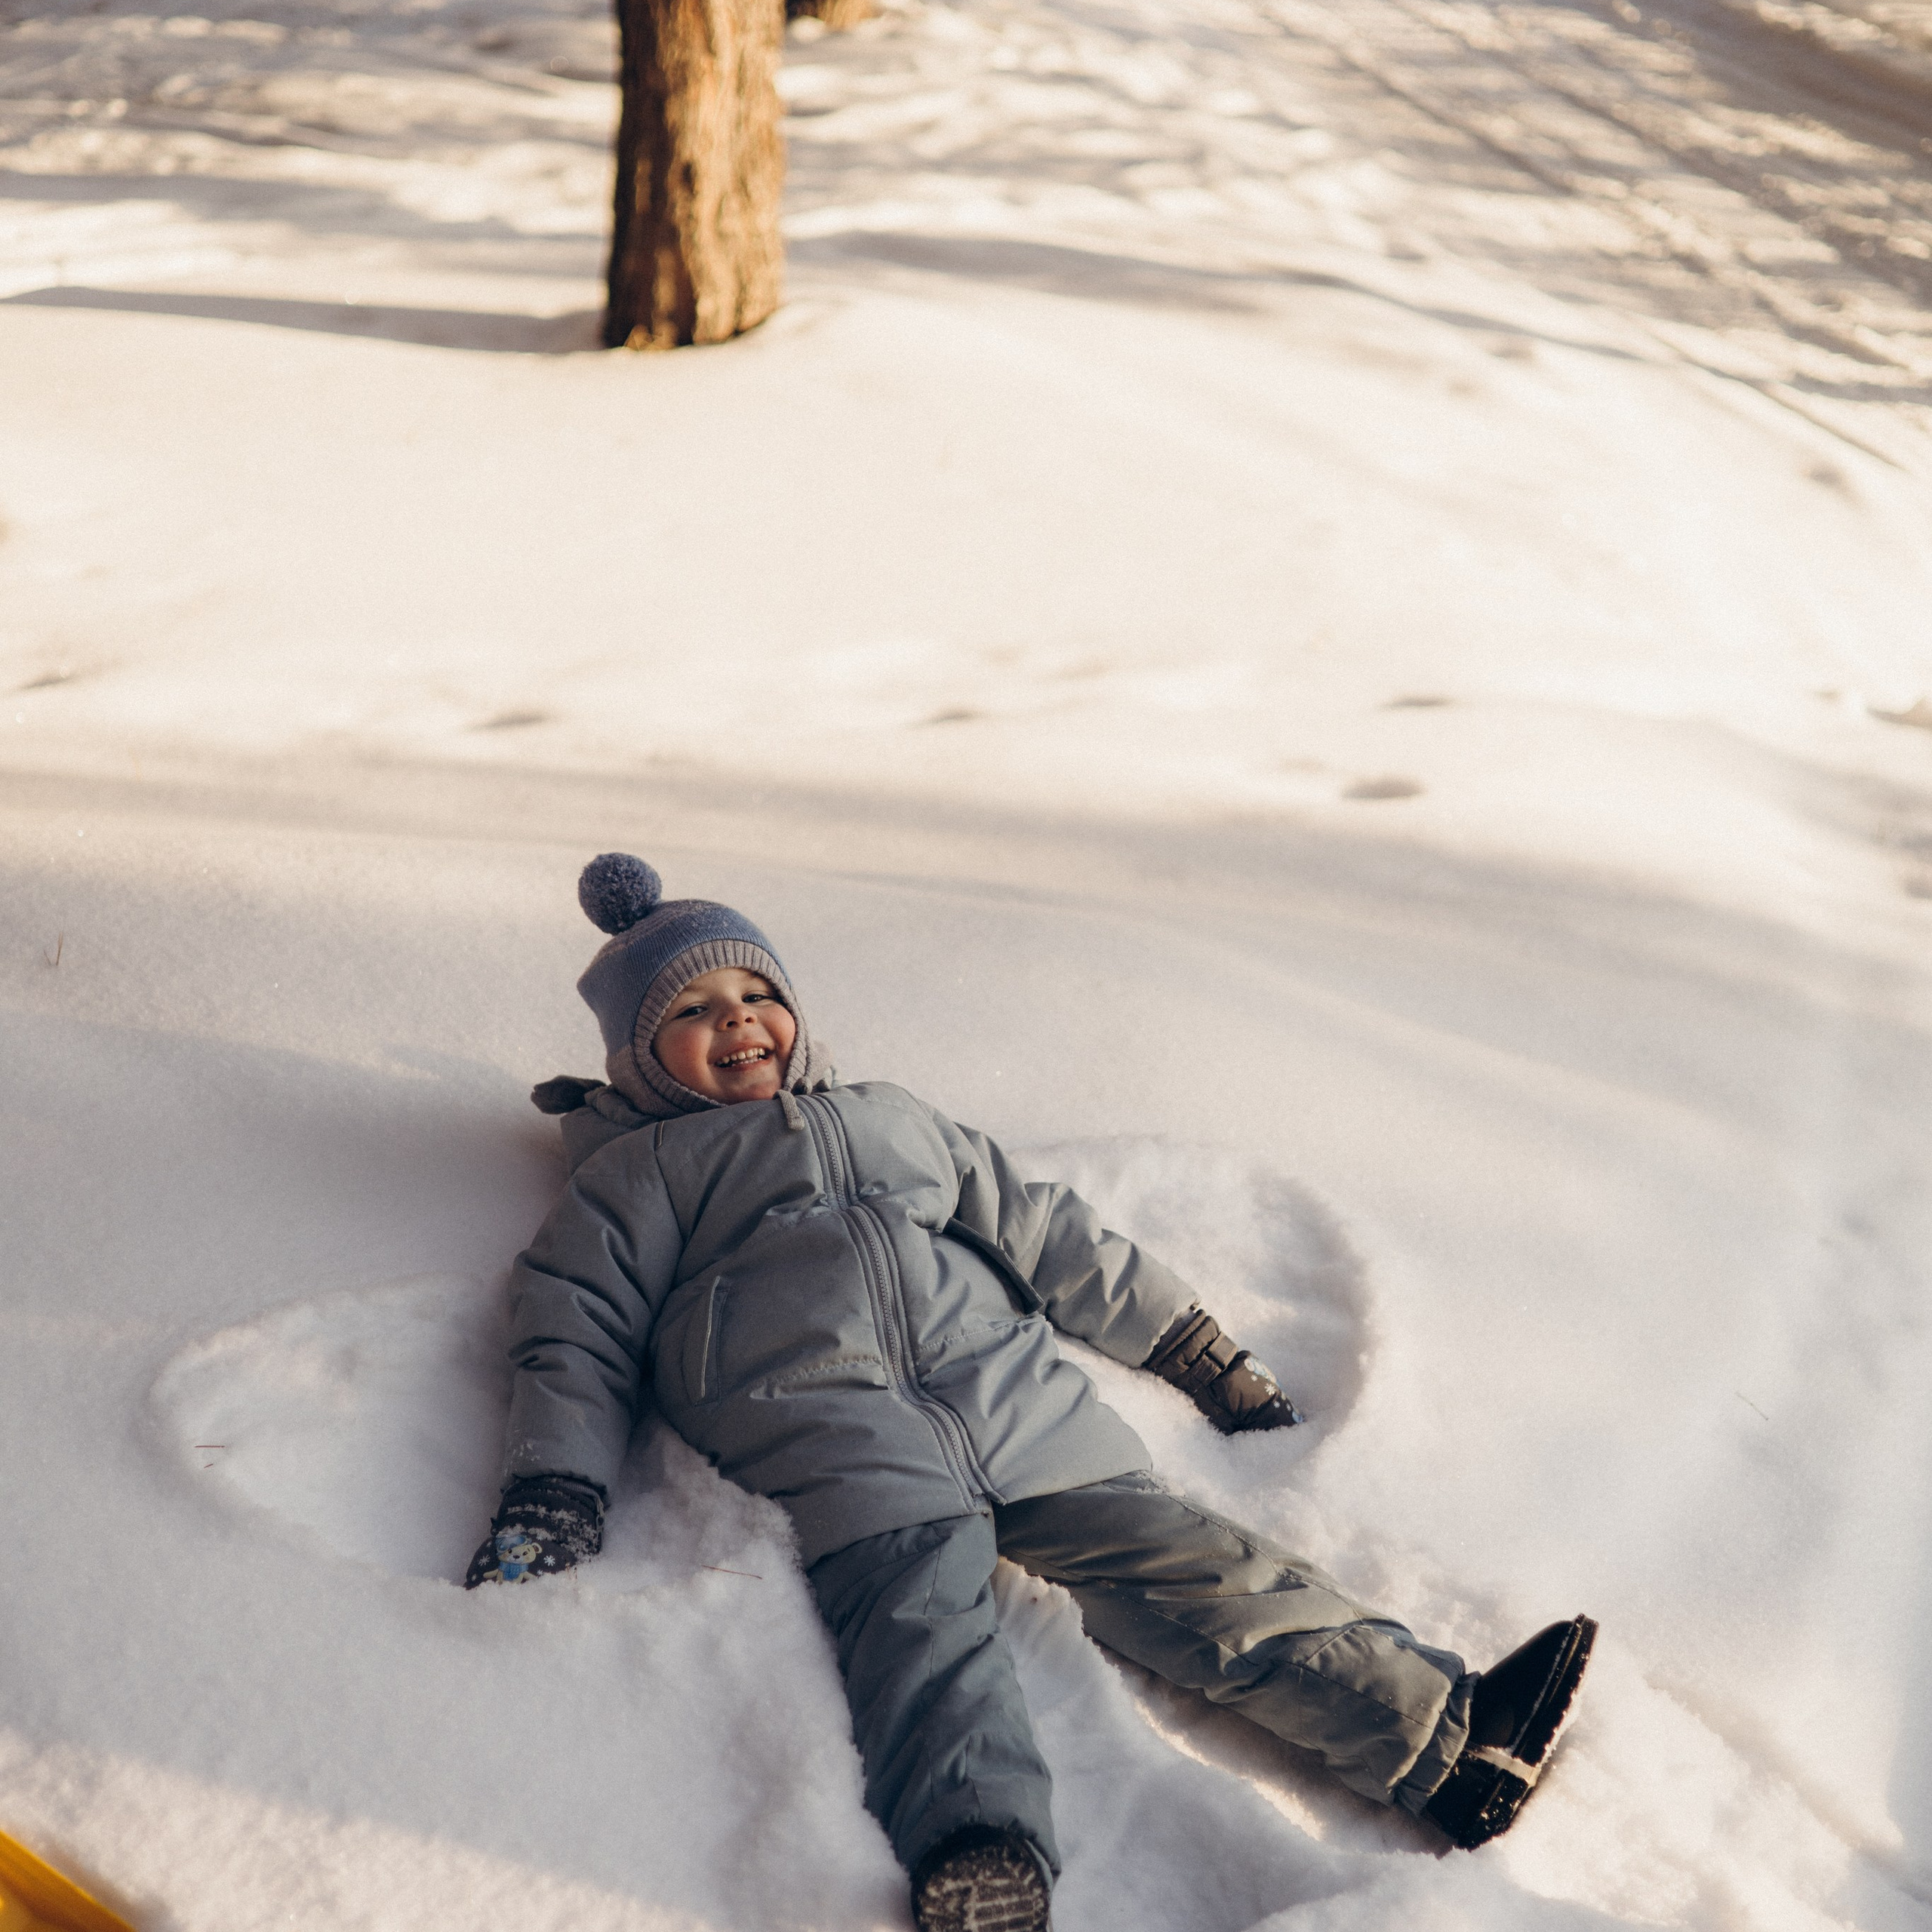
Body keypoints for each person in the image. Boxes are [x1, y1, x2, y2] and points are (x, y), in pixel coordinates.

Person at [467, 854, 1595, 1932]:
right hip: (839, 1444)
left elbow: (1048, 1234)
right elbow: (575, 1331)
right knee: (923, 1649)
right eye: (694, 1009)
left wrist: (1194, 1348)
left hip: (1019, 1412)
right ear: (638, 1057)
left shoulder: (894, 1118)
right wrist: (553, 1489)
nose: (740, 1022)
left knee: (1209, 1573)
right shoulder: (635, 1177)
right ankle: (979, 1849)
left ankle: (1450, 1744)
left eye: (758, 993)